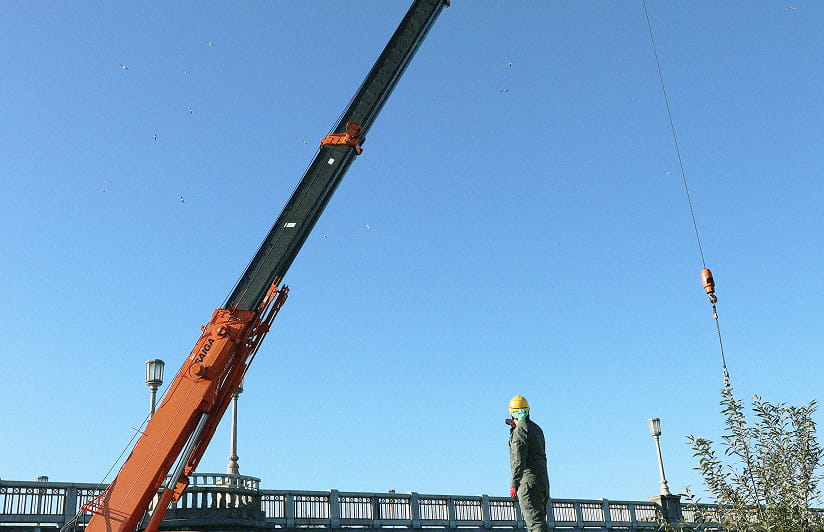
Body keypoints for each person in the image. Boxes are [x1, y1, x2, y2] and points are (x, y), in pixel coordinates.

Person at [507, 395, 550, 532]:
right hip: (542, 481)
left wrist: (514, 483)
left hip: (528, 482)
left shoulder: (520, 430)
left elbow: (518, 459)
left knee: (535, 524)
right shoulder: (536, 429)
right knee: (540, 520)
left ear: (512, 413)